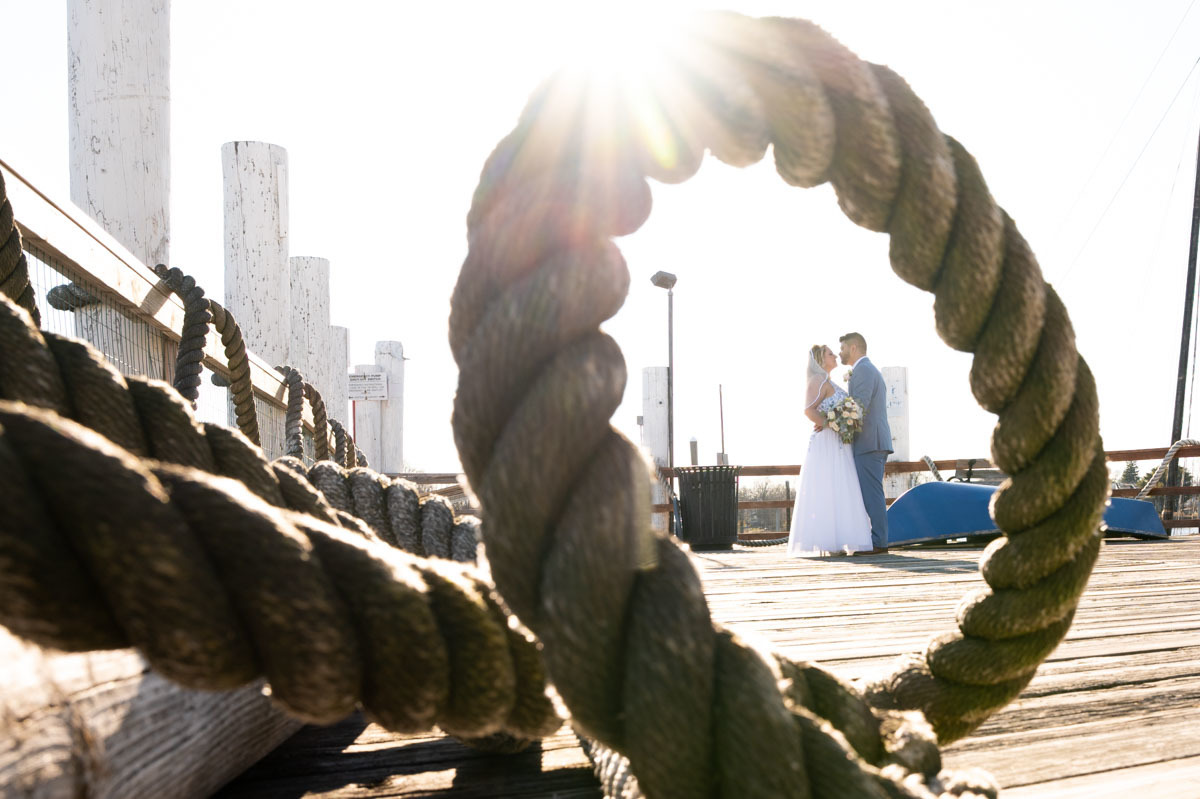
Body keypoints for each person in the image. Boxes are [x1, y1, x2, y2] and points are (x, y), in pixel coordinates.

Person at [787, 344, 874, 556]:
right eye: (830, 353)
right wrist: (830, 422)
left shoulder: (828, 381)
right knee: (828, 487)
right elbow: (808, 410)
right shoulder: (818, 380)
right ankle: (830, 543)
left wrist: (843, 422)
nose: (835, 355)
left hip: (839, 442)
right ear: (820, 359)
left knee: (841, 487)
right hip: (826, 442)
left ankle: (840, 540)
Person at [839, 332, 893, 555]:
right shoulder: (866, 369)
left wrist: (837, 427)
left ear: (853, 348)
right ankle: (876, 540)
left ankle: (879, 543)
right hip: (872, 441)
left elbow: (856, 409)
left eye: (842, 348)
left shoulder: (862, 370)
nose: (840, 352)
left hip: (870, 442)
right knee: (871, 493)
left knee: (872, 495)